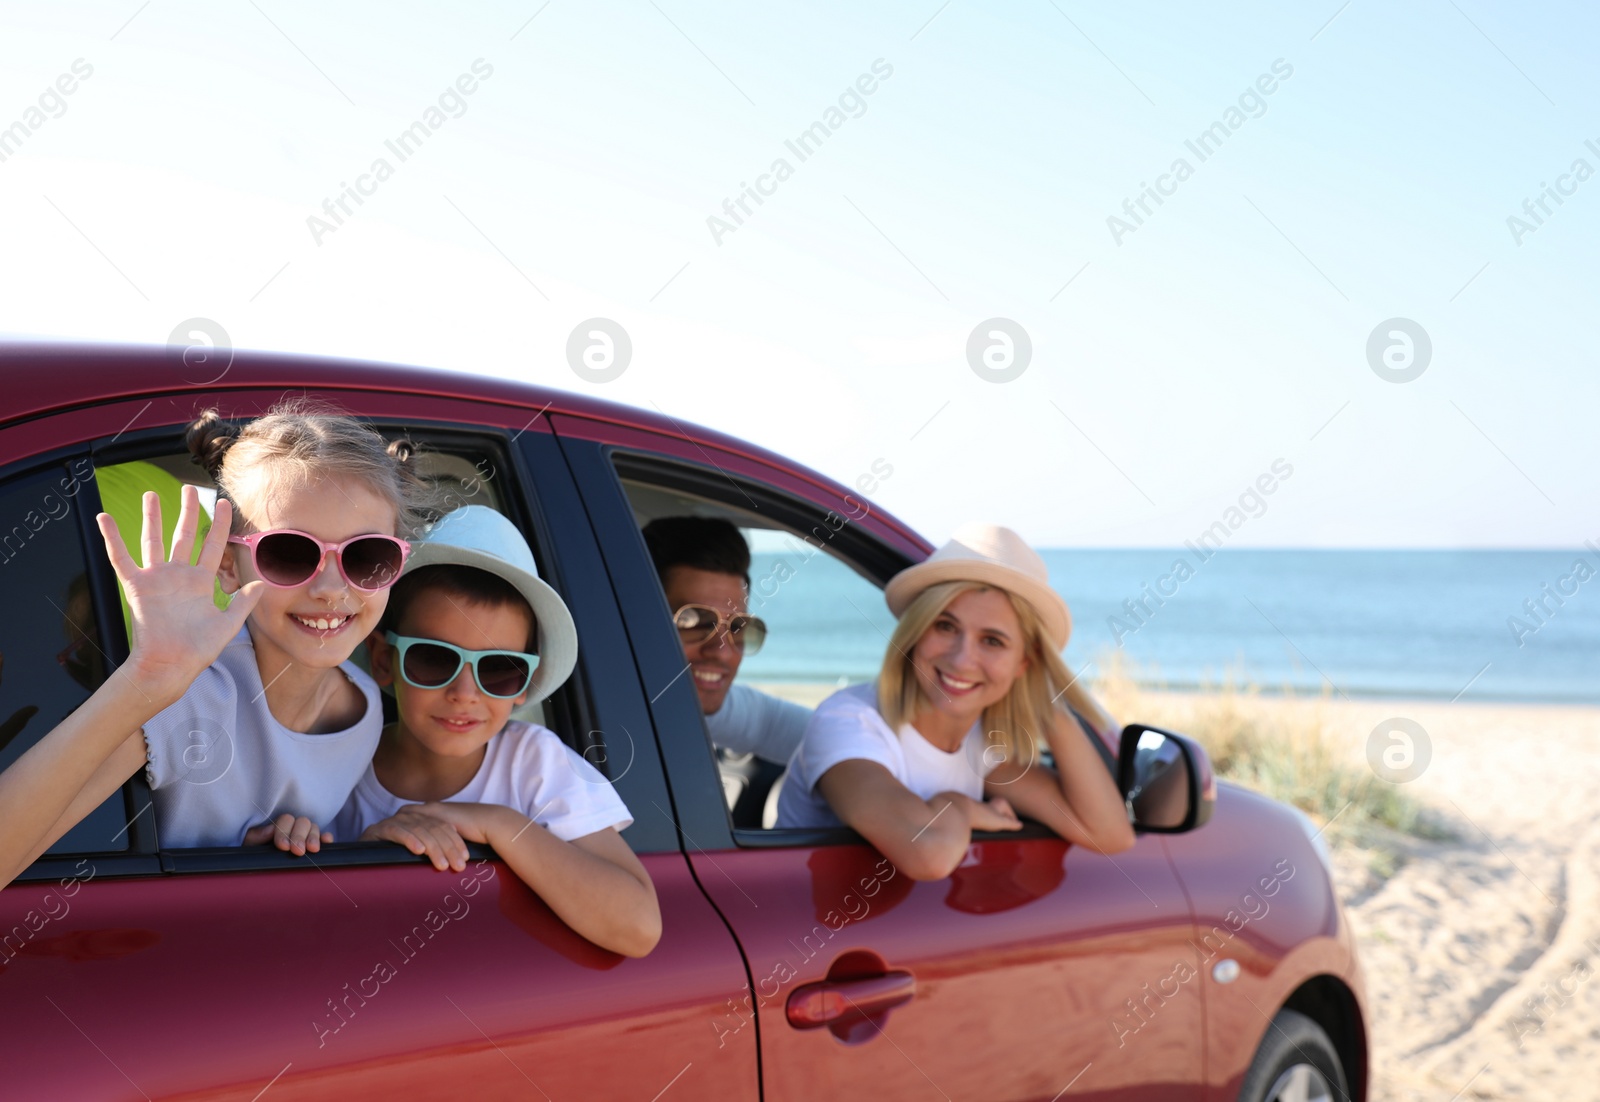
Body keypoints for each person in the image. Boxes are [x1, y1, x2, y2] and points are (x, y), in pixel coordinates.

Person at [0, 403, 432, 887]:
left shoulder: (367, 705)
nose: (332, 588)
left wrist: (276, 852)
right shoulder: (187, 697)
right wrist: (147, 678)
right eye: (289, 553)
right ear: (228, 565)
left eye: (367, 556)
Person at [334, 506, 661, 958]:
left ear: (523, 685)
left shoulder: (535, 766)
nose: (464, 693)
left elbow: (639, 926)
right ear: (385, 660)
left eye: (499, 670)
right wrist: (366, 856)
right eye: (435, 658)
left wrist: (500, 823)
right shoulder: (336, 762)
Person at [775, 524, 1136, 880]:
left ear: (1024, 663)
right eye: (945, 626)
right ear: (916, 631)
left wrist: (1046, 700)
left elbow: (1109, 834)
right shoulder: (850, 724)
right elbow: (928, 853)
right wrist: (961, 806)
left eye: (992, 641)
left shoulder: (983, 749)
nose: (962, 659)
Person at [641, 516, 809, 765]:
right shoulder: (580, 713)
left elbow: (779, 726)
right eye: (695, 622)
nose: (722, 652)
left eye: (738, 628)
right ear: (635, 620)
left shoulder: (680, 700)